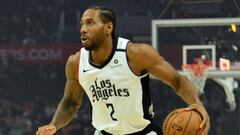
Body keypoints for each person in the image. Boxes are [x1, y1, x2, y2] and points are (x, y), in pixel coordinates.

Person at [36, 6, 210, 135]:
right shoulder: (75, 62)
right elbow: (71, 103)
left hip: (142, 132)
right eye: (82, 24)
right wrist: (54, 124)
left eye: (90, 23)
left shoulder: (136, 53)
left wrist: (197, 102)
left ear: (108, 28)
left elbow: (176, 80)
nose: (83, 29)